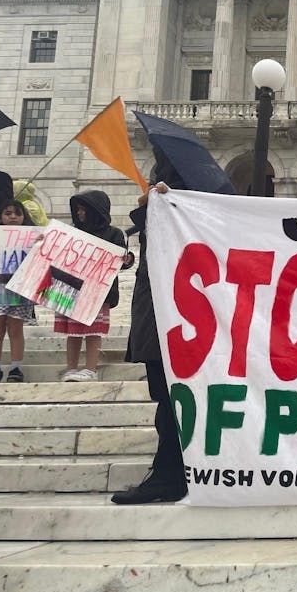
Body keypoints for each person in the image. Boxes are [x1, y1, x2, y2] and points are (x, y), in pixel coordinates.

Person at [112, 150, 188, 504]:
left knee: (168, 401)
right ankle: (172, 471)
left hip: (166, 320)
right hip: (168, 319)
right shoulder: (170, 209)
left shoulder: (173, 211)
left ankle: (169, 475)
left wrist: (151, 206)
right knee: (169, 401)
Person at [56, 191, 130, 382]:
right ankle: (71, 368)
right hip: (73, 289)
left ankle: (90, 369)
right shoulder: (73, 233)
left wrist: (127, 259)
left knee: (93, 331)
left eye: (83, 210)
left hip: (98, 292)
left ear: (95, 211)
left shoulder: (113, 233)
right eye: (78, 210)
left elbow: (121, 260)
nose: (79, 214)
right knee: (72, 332)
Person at [0, 201, 37, 383]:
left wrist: (40, 243)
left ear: (24, 217)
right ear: (0, 217)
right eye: (8, 213)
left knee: (16, 328)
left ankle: (16, 367)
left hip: (20, 288)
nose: (12, 217)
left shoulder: (32, 236)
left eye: (17, 214)